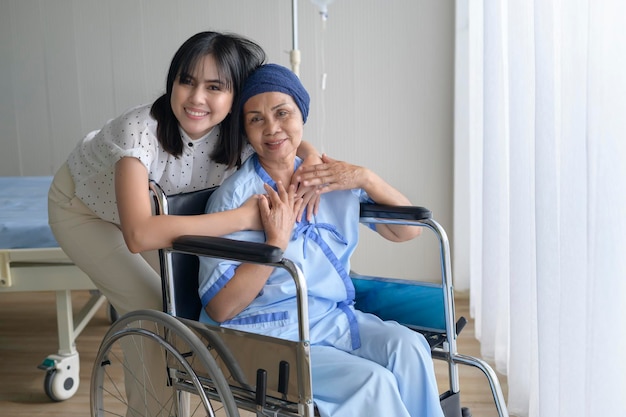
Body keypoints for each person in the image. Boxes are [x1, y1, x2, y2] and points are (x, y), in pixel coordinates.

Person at [198, 64, 445, 417]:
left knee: (409, 347)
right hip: (267, 334)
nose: (272, 129)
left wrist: (366, 178)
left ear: (302, 114)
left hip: (330, 318)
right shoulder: (233, 198)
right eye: (256, 120)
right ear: (246, 131)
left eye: (282, 113)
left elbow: (408, 231)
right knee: (372, 382)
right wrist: (275, 244)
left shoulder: (329, 178)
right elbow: (221, 308)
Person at [48, 31, 320, 319]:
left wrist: (312, 157)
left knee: (191, 304)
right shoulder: (139, 130)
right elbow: (138, 235)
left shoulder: (237, 131)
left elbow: (283, 137)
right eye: (187, 81)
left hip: (153, 216)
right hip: (83, 209)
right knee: (157, 311)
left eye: (214, 87)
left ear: (236, 98)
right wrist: (242, 218)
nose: (197, 98)